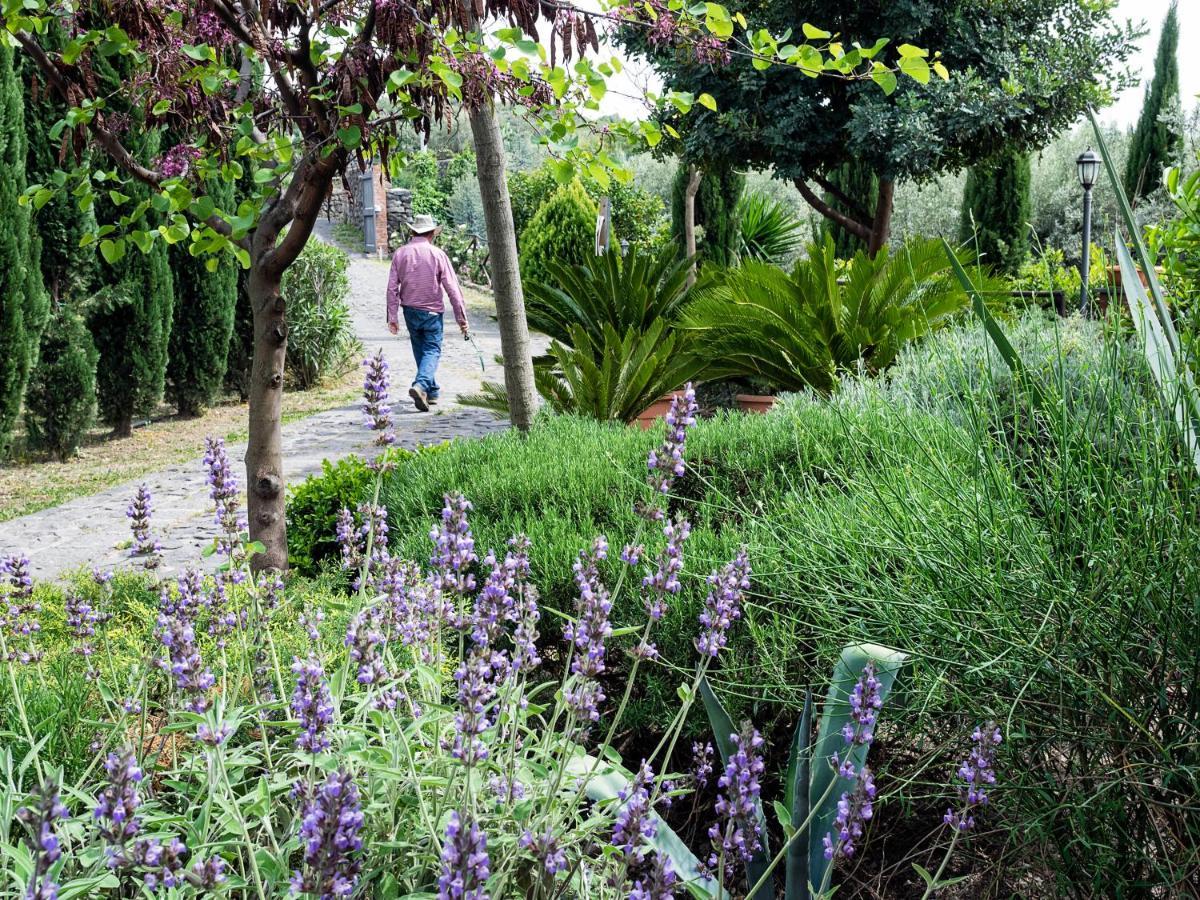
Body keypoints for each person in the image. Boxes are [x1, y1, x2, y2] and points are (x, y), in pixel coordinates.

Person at [386, 213, 470, 411]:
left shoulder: (400, 254)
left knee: (420, 350)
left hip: (410, 311)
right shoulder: (438, 255)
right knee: (432, 350)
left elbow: (391, 288)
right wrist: (461, 319)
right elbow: (453, 289)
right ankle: (421, 385)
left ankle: (431, 392)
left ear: (413, 232)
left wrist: (392, 316)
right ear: (432, 233)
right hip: (432, 313)